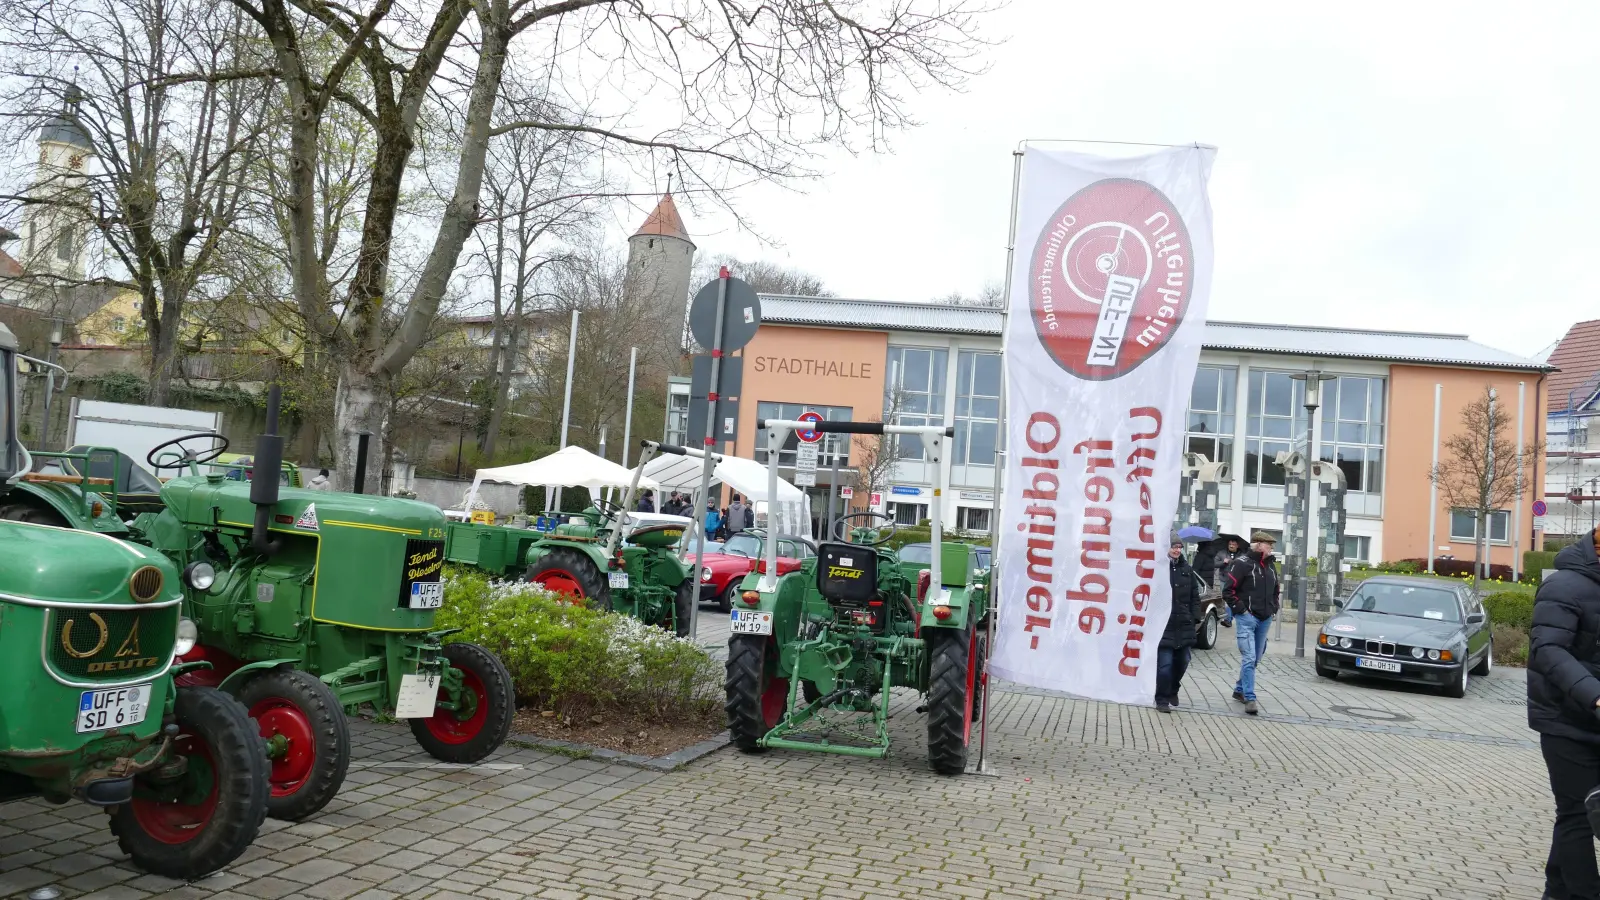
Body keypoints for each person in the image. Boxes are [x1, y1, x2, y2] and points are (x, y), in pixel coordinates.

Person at [1529, 526, 1600, 899]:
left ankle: (1556, 891)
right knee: (1576, 814)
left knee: (1578, 812)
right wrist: (1595, 697)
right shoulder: (1564, 586)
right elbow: (1550, 650)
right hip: (1565, 721)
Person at [1220, 531, 1280, 716]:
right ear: (1259, 545)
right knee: (1248, 657)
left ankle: (1239, 689)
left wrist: (1273, 607)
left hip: (1265, 618)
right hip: (1247, 618)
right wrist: (1242, 611)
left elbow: (1276, 590)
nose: (1271, 548)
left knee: (1256, 657)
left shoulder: (1270, 566)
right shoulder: (1242, 564)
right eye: (1269, 544)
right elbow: (1228, 591)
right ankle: (1250, 697)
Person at [1157, 537, 1200, 712]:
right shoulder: (1159, 568)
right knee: (1165, 665)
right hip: (1164, 625)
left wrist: (1194, 617)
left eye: (1179, 547)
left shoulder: (1187, 570)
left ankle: (1173, 689)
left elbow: (1194, 597)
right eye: (1173, 547)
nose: (1176, 550)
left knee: (1183, 661)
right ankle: (1161, 699)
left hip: (1183, 623)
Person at [1212, 536, 1246, 626]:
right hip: (1224, 579)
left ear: (1237, 545)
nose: (1231, 546)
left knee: (1234, 598)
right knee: (1226, 599)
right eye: (1230, 544)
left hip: (1237, 580)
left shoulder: (1242, 555)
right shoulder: (1221, 553)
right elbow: (1214, 563)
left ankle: (1230, 618)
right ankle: (1228, 619)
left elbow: (1245, 565)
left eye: (1233, 544)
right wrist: (1223, 562)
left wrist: (1235, 562)